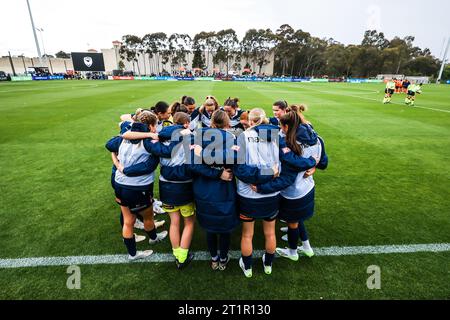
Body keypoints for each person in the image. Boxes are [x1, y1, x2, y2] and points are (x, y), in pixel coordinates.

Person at [234, 108, 319, 277]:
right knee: (270, 232)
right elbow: (290, 162)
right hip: (271, 195)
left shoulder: (242, 137)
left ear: (251, 122)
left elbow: (239, 171)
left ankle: (248, 267)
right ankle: (268, 265)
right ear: (265, 120)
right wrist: (310, 162)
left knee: (247, 234)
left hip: (248, 195)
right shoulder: (279, 137)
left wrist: (261, 176)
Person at [121, 112, 197, 269]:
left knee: (174, 222)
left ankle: (177, 254)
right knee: (189, 222)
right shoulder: (189, 136)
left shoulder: (155, 138)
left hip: (166, 186)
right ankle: (182, 256)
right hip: (184, 185)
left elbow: (125, 133)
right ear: (185, 124)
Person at [252, 109, 328, 261]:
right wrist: (313, 164)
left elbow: (287, 179)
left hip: (294, 192)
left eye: (281, 127)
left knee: (293, 223)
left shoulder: (292, 145)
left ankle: (292, 252)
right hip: (308, 188)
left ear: (287, 126)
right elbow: (324, 162)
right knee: (297, 219)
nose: (280, 130)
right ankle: (306, 246)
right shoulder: (317, 138)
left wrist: (261, 188)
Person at [105, 111, 168, 261]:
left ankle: (132, 254)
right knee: (147, 216)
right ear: (151, 125)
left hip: (120, 184)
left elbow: (109, 145)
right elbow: (148, 166)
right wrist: (125, 169)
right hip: (138, 187)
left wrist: (117, 163)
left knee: (128, 220)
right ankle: (153, 238)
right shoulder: (149, 142)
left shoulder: (124, 137)